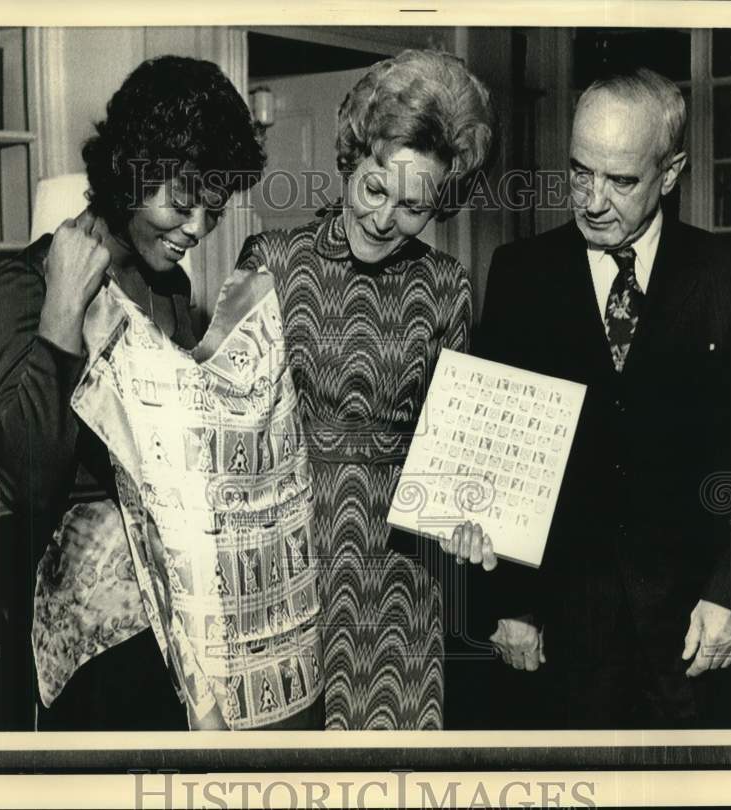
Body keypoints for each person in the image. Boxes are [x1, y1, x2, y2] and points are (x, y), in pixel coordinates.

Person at [0, 55, 322, 730]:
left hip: (187, 625)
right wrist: (61, 319)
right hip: (100, 645)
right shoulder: (23, 285)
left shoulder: (170, 291)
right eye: (182, 202)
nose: (195, 229)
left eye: (213, 211)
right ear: (127, 173)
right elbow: (23, 482)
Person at [454, 67, 731, 729]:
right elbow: (495, 458)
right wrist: (510, 603)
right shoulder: (520, 274)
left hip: (693, 628)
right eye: (580, 172)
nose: (593, 200)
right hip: (560, 631)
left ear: (671, 172)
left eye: (621, 179)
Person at [235, 49, 497, 729]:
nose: (384, 219)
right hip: (279, 560)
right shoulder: (271, 260)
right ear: (353, 159)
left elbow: (456, 449)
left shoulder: (448, 285)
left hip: (399, 576)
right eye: (376, 189)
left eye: (414, 206)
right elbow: (225, 432)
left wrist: (472, 512)